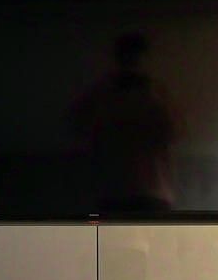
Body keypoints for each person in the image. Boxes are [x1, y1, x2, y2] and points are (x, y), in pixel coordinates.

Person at [70, 32, 181, 213]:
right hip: (115, 192)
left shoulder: (157, 94)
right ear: (118, 60)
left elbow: (176, 132)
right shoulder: (101, 93)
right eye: (127, 59)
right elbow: (76, 127)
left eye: (135, 60)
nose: (132, 67)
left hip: (149, 192)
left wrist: (155, 96)